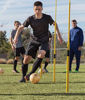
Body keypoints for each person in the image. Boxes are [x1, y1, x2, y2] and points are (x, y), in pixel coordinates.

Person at [14, 1, 62, 82]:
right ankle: (23, 77)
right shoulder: (30, 19)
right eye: (36, 9)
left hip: (44, 40)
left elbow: (55, 24)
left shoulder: (47, 17)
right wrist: (15, 38)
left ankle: (30, 74)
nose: (37, 11)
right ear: (33, 9)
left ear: (42, 9)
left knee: (42, 54)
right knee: (26, 60)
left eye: (39, 9)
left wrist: (59, 35)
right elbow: (20, 28)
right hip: (34, 40)